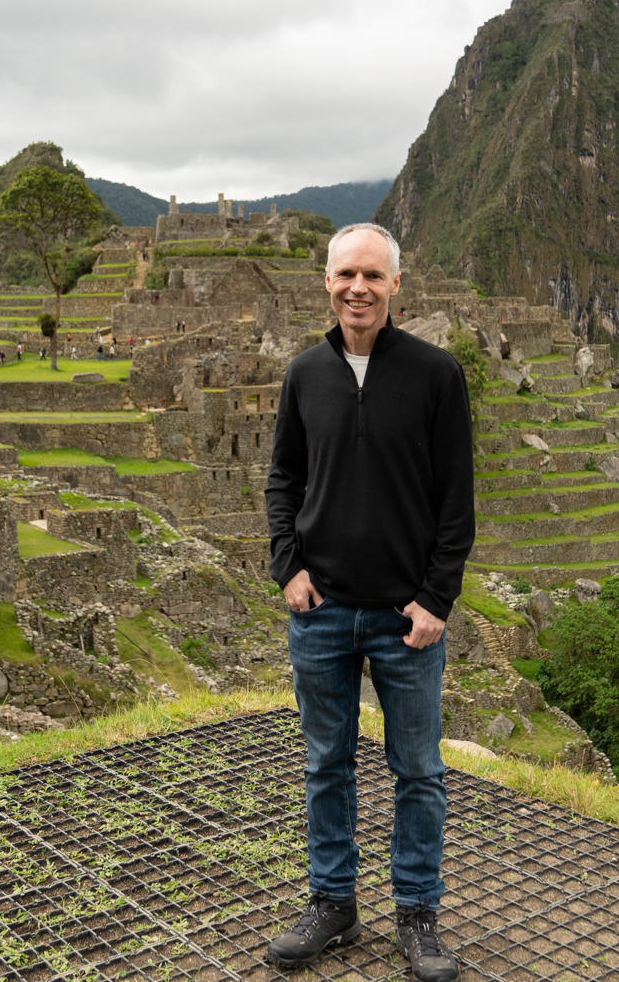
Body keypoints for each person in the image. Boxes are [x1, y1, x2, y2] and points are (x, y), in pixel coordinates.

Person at [264, 223, 473, 980]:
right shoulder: (305, 374)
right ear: (327, 281)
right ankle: (334, 903)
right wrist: (288, 567)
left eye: (373, 276)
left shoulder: (435, 374)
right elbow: (283, 479)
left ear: (395, 286)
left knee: (417, 769)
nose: (359, 288)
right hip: (321, 611)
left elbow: (456, 500)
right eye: (347, 274)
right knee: (327, 763)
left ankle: (417, 914)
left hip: (403, 619)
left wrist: (435, 598)